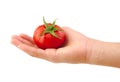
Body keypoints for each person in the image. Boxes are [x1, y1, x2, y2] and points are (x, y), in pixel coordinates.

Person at [11, 27, 120, 68]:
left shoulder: (46, 31)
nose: (50, 29)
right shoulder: (57, 32)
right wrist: (88, 50)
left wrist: (88, 50)